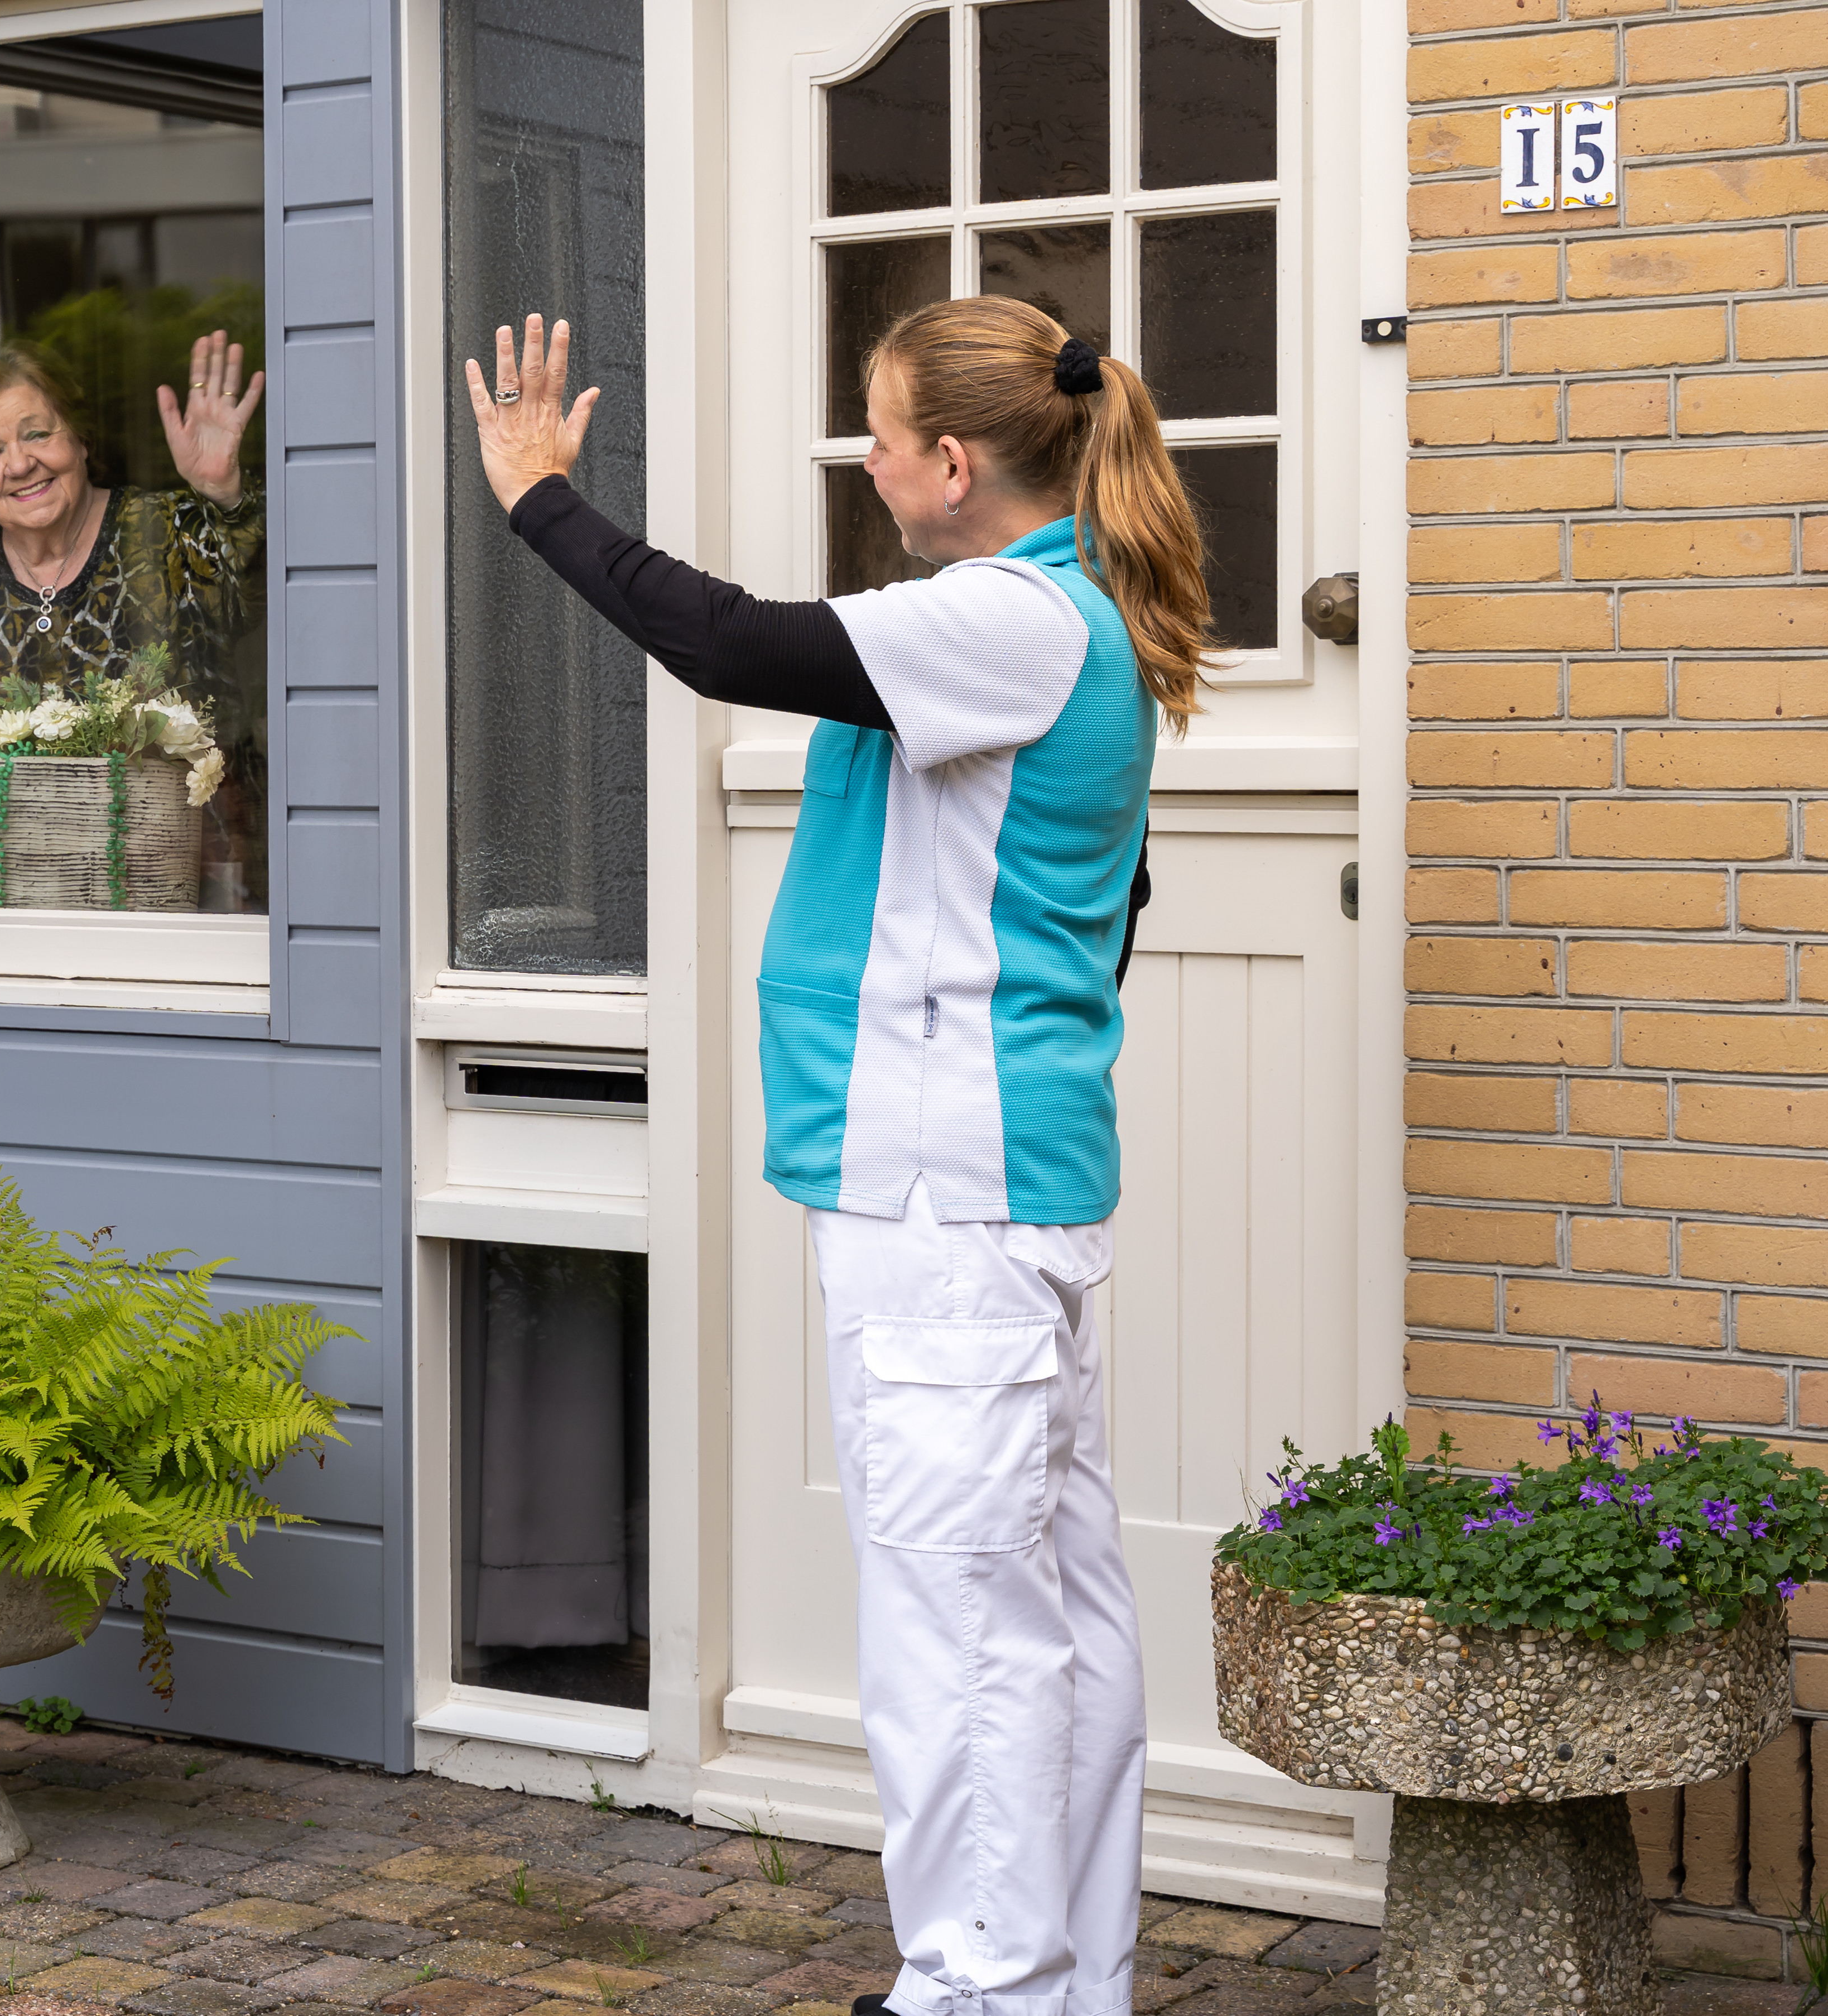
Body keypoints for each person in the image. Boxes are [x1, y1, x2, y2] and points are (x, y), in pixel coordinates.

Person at [463, 298, 1214, 2016]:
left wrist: (539, 499)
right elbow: (1114, 904)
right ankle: (1058, 1984)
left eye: (876, 438)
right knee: (1045, 1604)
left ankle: (982, 1988)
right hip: (993, 1190)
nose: (864, 466)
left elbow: (729, 642)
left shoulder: (1005, 618)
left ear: (951, 463)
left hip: (943, 1195)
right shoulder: (1059, 614)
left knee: (959, 1625)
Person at [0, 333, 267, 905]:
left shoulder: (165, 532)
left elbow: (262, 598)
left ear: (81, 438)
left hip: (178, 899)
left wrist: (223, 497)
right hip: (4, 907)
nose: (19, 464)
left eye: (37, 434)